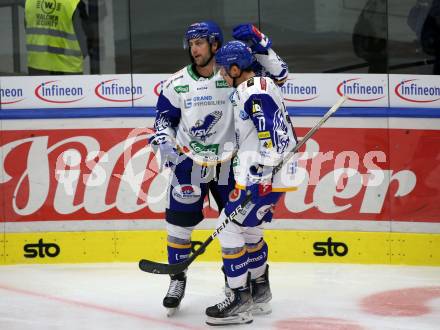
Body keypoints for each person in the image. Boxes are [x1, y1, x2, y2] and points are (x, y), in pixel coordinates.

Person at [149, 21, 288, 316]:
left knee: (243, 228)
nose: (193, 48)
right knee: (178, 226)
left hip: (232, 163)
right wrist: (162, 137)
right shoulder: (176, 83)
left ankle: (239, 285)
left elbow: (280, 75)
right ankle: (177, 279)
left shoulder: (233, 74)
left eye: (199, 42)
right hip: (190, 162)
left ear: (215, 45)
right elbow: (163, 118)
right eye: (190, 43)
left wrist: (262, 45)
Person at [204, 40, 297, 326]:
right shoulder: (262, 84)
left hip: (263, 177)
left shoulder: (252, 92)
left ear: (235, 68)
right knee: (250, 232)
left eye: (222, 69)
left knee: (228, 230)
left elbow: (275, 135)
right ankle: (260, 294)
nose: (220, 74)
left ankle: (238, 299)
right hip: (264, 175)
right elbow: (281, 73)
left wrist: (264, 174)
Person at [24, 0, 93, 75]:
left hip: (37, 65)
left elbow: (27, 27)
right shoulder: (74, 3)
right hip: (69, 68)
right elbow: (86, 36)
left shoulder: (30, 2)